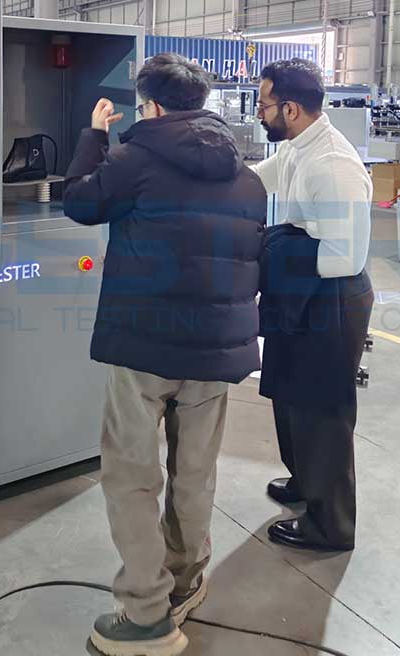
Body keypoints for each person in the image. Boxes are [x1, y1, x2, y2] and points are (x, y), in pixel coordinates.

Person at [64, 53, 267, 656]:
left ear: (150, 106)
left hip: (145, 347)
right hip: (215, 349)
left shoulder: (133, 161)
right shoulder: (247, 177)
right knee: (195, 472)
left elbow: (79, 203)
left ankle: (147, 616)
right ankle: (184, 581)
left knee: (131, 476)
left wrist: (94, 136)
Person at [251, 58, 374, 552]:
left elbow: (347, 256)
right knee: (290, 397)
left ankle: (330, 526)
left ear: (291, 108)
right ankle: (306, 481)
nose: (259, 113)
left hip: (332, 297)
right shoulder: (296, 148)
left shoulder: (333, 164)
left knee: (322, 411)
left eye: (263, 104)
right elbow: (254, 180)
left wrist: (275, 253)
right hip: (303, 289)